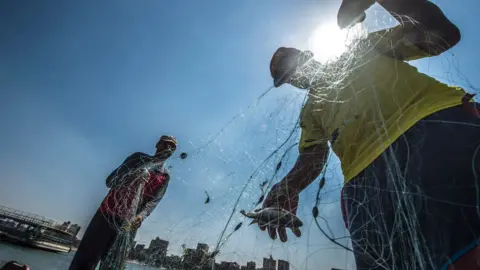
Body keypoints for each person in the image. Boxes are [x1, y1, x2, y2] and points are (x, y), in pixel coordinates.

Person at [260, 1, 480, 269]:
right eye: (287, 78)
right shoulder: (310, 113)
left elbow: (441, 33)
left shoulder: (364, 49)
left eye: (293, 66)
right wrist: (288, 186)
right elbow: (313, 159)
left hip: (441, 130)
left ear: (308, 56)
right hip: (366, 186)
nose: (294, 76)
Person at [69, 135, 177, 270]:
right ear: (157, 144)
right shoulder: (138, 158)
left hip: (128, 225)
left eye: (172, 148)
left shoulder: (165, 177)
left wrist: (141, 216)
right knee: (85, 260)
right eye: (166, 144)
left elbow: (153, 202)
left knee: (114, 265)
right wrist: (133, 175)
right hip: (107, 215)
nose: (168, 149)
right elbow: (110, 181)